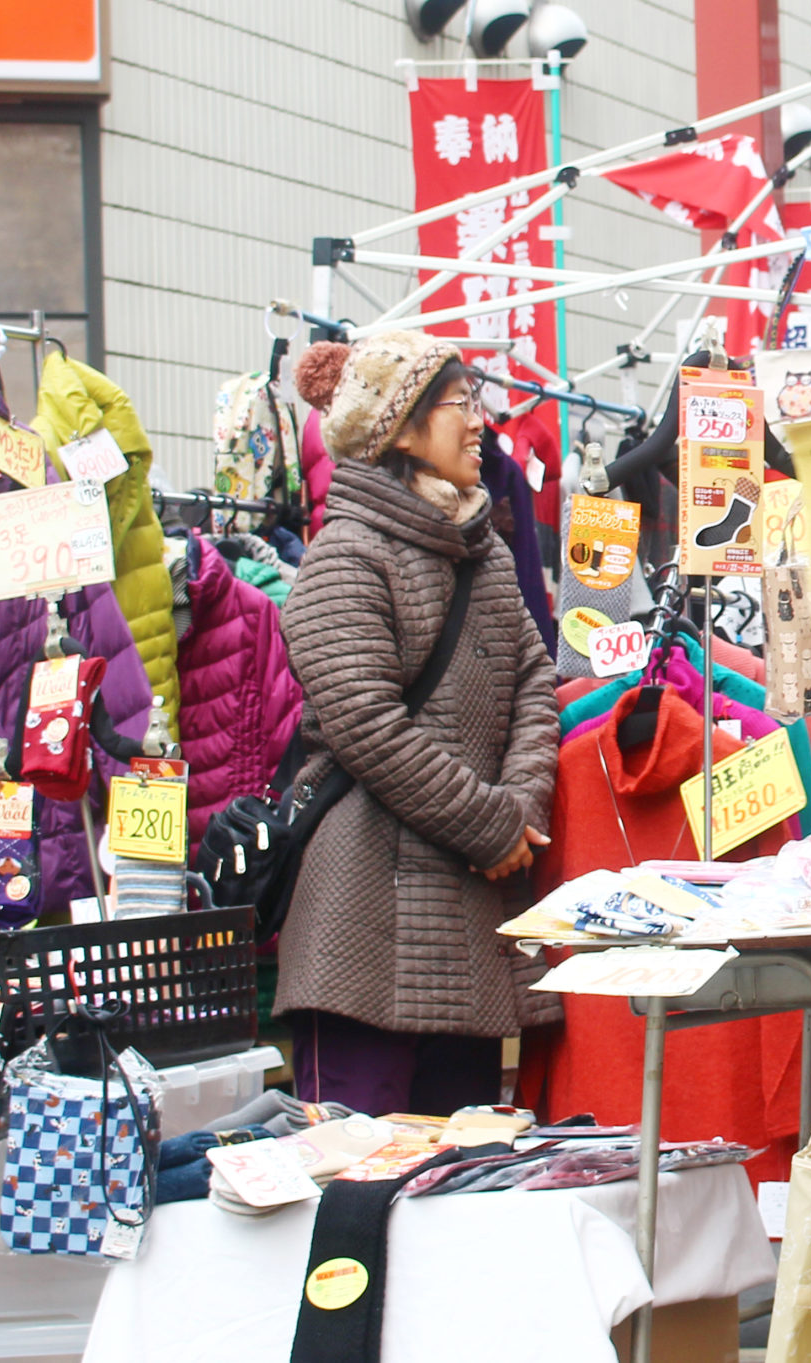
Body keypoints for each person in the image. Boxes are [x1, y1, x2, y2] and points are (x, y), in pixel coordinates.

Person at [278, 333, 558, 1113]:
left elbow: (536, 679)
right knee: (352, 1178)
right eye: (461, 404)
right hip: (361, 920)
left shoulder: (486, 551)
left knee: (452, 1180)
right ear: (400, 428)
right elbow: (367, 723)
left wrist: (521, 809)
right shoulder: (346, 555)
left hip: (471, 921)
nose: (481, 422)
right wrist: (491, 827)